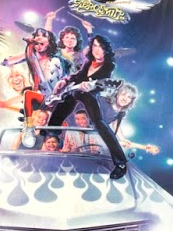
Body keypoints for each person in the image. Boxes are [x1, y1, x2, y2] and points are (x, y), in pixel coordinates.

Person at [45, 35, 129, 178]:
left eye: (101, 46)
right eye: (94, 46)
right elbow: (77, 76)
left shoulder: (109, 65)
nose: (97, 49)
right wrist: (64, 81)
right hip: (77, 91)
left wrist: (90, 86)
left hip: (91, 94)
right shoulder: (88, 62)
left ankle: (120, 163)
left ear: (106, 50)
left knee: (99, 123)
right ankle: (50, 134)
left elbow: (101, 83)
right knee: (64, 103)